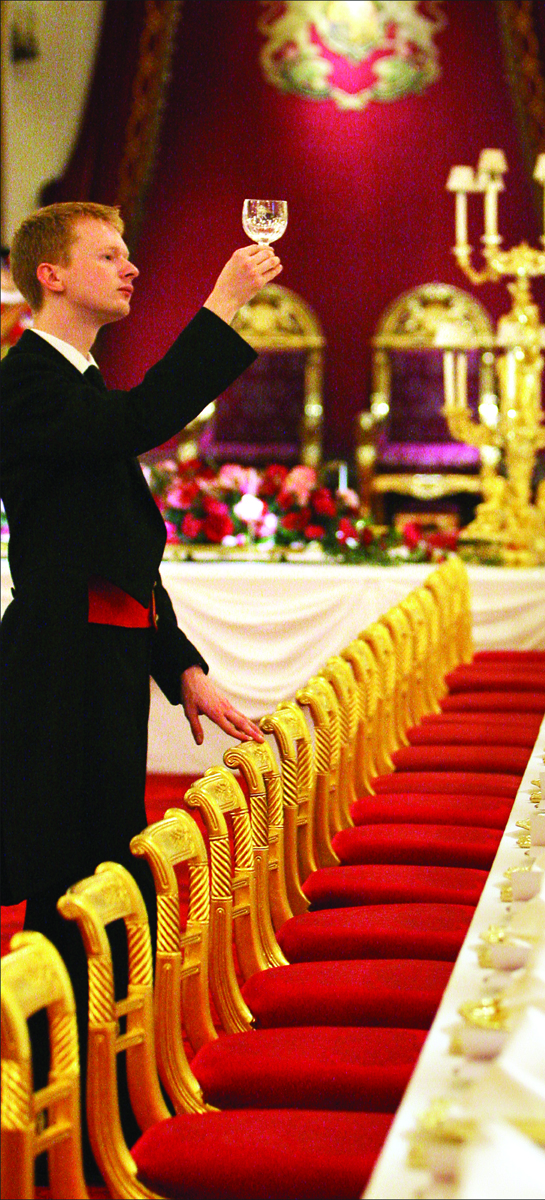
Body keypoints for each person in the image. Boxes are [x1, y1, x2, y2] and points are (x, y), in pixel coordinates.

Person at [0, 202, 277, 1046]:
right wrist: (221, 304)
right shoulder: (25, 383)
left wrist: (184, 668)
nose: (131, 269)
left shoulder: (75, 380)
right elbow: (141, 422)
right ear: (51, 275)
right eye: (109, 255)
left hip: (102, 658)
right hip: (59, 665)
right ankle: (55, 1088)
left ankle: (100, 1067)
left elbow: (119, 556)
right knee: (70, 885)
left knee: (102, 875)